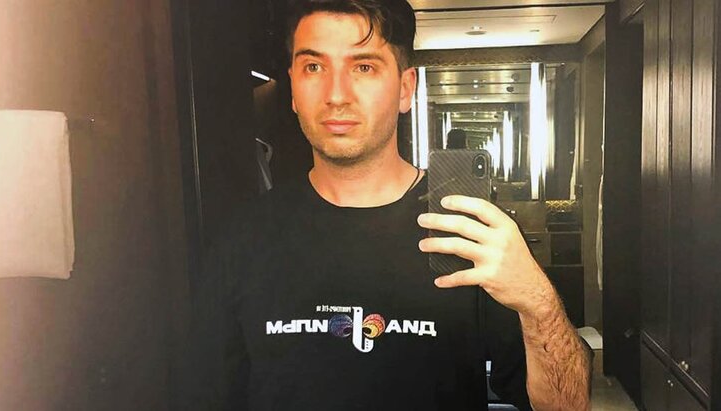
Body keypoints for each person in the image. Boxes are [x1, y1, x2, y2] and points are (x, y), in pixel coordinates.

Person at [196, 0, 591, 409]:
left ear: (405, 89)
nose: (336, 95)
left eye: (364, 67)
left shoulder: (469, 232)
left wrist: (538, 301)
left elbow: (568, 406)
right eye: (314, 67)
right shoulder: (244, 238)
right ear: (293, 86)